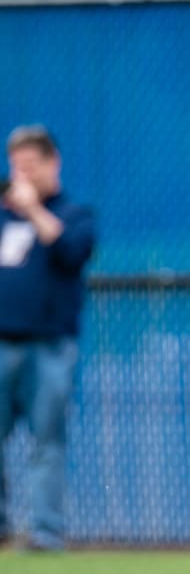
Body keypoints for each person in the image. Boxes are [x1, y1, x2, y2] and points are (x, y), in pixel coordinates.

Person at [0, 125, 95, 552]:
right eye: (15, 166)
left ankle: (44, 531)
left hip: (49, 347)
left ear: (52, 163)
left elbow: (72, 253)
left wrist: (35, 210)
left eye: (30, 166)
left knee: (46, 441)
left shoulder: (74, 214)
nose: (20, 175)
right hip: (3, 344)